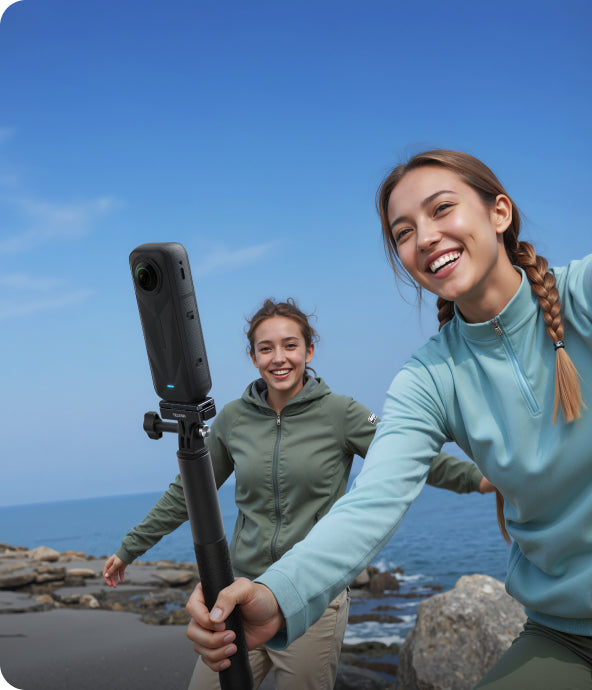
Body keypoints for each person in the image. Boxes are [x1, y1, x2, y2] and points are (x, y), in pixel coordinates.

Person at [186, 150, 592, 689]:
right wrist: (277, 594)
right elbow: (371, 503)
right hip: (567, 635)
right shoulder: (428, 378)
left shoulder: (580, 295)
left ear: (500, 212)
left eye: (441, 208)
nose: (424, 238)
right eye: (404, 232)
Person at [104, 296, 492, 690]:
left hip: (311, 595)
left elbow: (406, 454)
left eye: (290, 345)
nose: (279, 358)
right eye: (266, 348)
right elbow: (188, 492)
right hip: (240, 592)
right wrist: (131, 547)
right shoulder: (233, 419)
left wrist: (478, 479)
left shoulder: (341, 413)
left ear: (309, 350)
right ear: (253, 357)